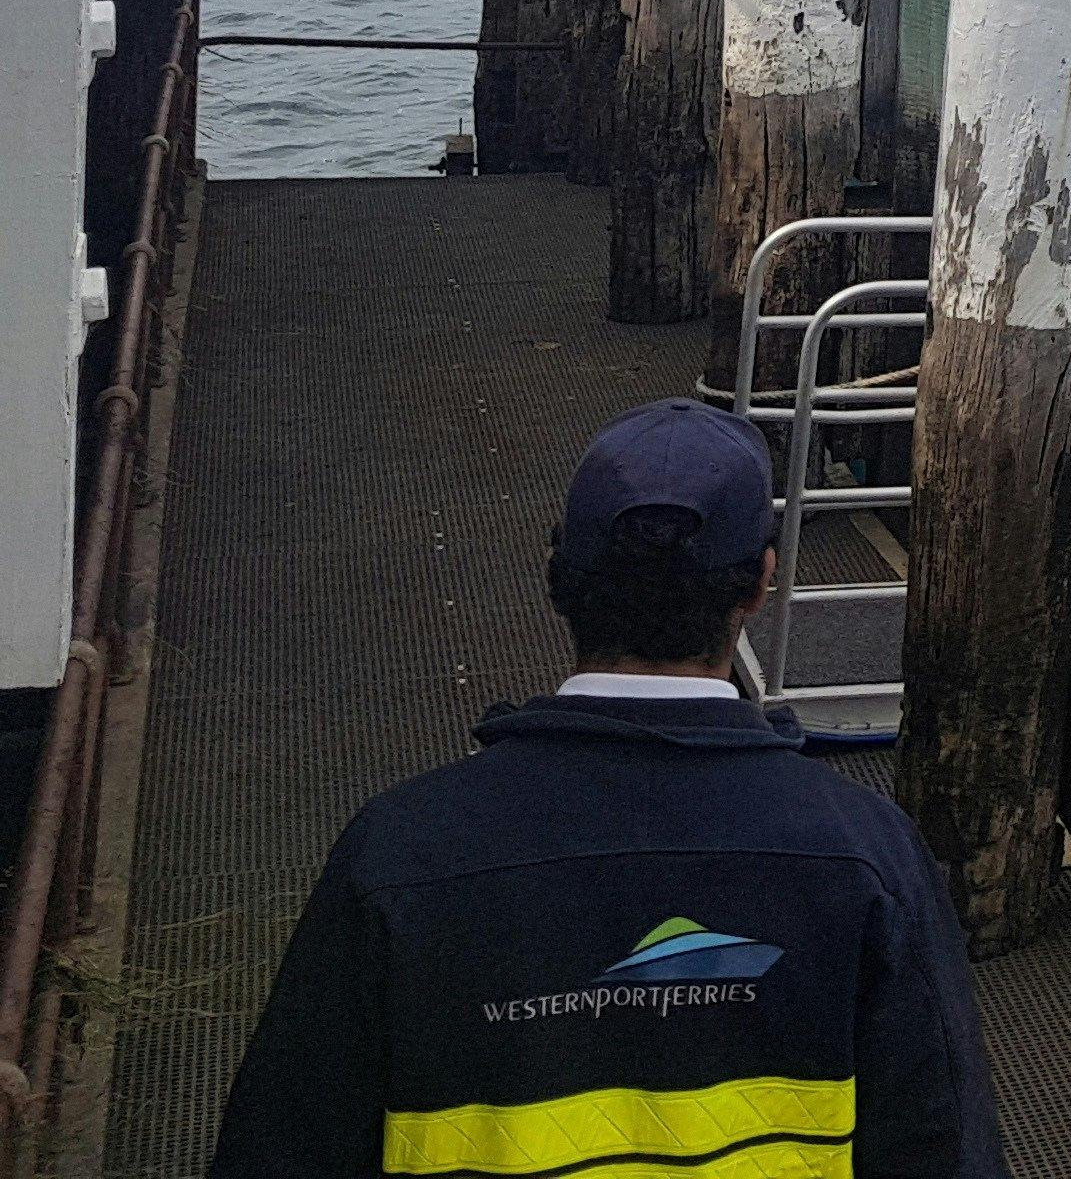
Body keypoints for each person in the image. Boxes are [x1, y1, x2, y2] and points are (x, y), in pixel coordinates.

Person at [213, 399, 1004, 1179]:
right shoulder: (867, 858)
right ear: (763, 582)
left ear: (559, 579)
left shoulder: (396, 855)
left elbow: (283, 1144)